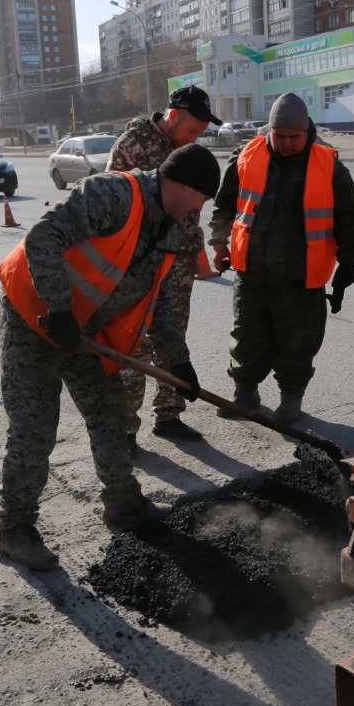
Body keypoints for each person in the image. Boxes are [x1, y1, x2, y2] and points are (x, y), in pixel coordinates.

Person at [0, 144, 220, 571]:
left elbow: (166, 311)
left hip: (83, 332)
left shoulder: (173, 233)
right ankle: (14, 528)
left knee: (110, 414)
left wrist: (178, 364)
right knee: (36, 426)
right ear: (183, 186)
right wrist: (58, 309)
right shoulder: (114, 195)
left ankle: (122, 505)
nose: (200, 209)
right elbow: (44, 236)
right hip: (33, 314)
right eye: (201, 199)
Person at [208, 92, 354, 426]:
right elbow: (225, 206)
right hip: (252, 271)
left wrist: (348, 264)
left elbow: (349, 217)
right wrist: (219, 243)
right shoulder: (246, 155)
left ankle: (291, 401)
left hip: (302, 275)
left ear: (306, 131)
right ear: (270, 130)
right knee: (247, 335)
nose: (287, 143)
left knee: (298, 342)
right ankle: (244, 394)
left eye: (294, 137)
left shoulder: (328, 164)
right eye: (279, 136)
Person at [106, 85, 222, 454]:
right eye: (193, 129)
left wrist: (198, 258)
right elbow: (115, 202)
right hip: (141, 261)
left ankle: (169, 414)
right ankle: (124, 428)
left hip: (180, 261)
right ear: (174, 115)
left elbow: (195, 212)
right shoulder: (133, 144)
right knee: (135, 344)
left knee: (173, 337)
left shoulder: (187, 151)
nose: (196, 138)